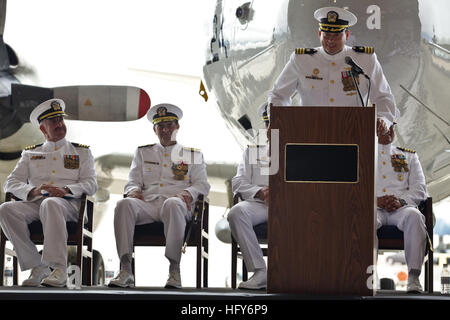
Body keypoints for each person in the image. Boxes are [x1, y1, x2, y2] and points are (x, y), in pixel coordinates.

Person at [109, 103, 210, 288]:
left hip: (177, 205)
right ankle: (125, 269)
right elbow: (133, 181)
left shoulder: (192, 155)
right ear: (154, 129)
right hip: (148, 204)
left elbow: (202, 184)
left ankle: (174, 270)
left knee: (173, 204)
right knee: (123, 204)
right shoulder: (143, 152)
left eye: (169, 125)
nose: (165, 130)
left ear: (177, 126)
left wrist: (188, 193)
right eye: (160, 126)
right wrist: (134, 191)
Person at [0, 98, 97, 287]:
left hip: (69, 206)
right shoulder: (30, 154)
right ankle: (37, 265)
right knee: (5, 209)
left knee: (51, 203)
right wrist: (33, 190)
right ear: (43, 129)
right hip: (37, 204)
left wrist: (66, 190)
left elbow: (91, 184)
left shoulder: (81, 152)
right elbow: (10, 183)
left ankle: (59, 268)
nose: (59, 124)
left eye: (61, 119)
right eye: (53, 121)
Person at [267, 6, 399, 131]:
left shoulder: (365, 60)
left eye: (336, 35)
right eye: (326, 35)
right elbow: (278, 95)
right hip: (309, 133)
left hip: (354, 134)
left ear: (347, 35)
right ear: (319, 34)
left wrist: (383, 120)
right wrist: (278, 120)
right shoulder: (301, 60)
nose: (331, 40)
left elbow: (383, 97)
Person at [376, 123, 428, 293]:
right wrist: (375, 201)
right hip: (373, 208)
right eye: (381, 127)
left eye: (391, 126)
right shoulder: (363, 153)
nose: (388, 131)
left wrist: (401, 201)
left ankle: (413, 277)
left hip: (401, 209)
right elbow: (353, 187)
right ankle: (367, 274)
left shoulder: (407, 156)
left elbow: (420, 189)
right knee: (361, 219)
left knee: (415, 216)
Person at [227, 102, 269, 290]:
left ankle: (303, 270)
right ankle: (260, 271)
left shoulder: (300, 148)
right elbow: (238, 182)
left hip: (292, 205)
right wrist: (259, 192)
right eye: (268, 123)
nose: (271, 128)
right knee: (236, 213)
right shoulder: (253, 151)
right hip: (260, 204)